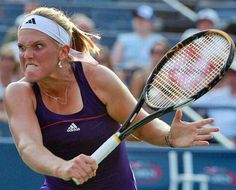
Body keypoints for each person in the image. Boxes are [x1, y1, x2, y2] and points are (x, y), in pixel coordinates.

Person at [4, 6, 218, 190]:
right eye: (22, 47)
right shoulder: (19, 92)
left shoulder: (97, 78)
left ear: (63, 52)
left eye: (38, 46)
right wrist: (63, 167)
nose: (26, 55)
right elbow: (29, 147)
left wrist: (170, 136)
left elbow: (143, 127)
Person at [111, 5, 167, 86]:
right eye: (137, 18)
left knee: (139, 75)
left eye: (143, 19)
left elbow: (162, 64)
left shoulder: (160, 40)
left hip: (149, 75)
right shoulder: (123, 38)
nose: (139, 21)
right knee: (117, 73)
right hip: (125, 75)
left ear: (151, 23)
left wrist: (144, 68)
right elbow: (114, 62)